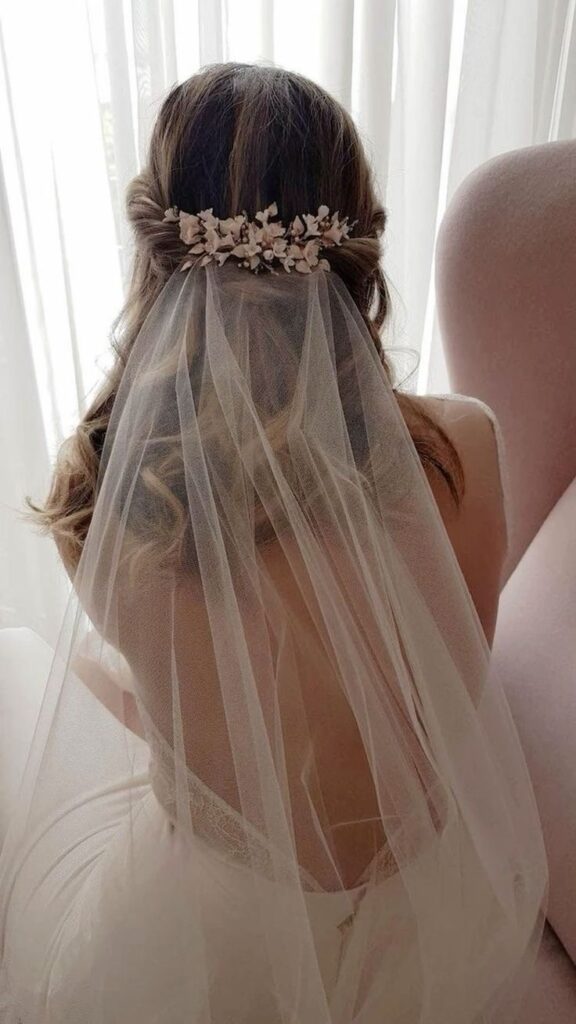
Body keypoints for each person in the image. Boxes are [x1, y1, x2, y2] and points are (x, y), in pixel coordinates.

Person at [0, 63, 547, 1023]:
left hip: (220, 947)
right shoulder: (462, 447)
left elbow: (198, 722)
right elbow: (451, 692)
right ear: (356, 243)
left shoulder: (99, 495)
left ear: (158, 252)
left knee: (33, 667)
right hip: (423, 914)